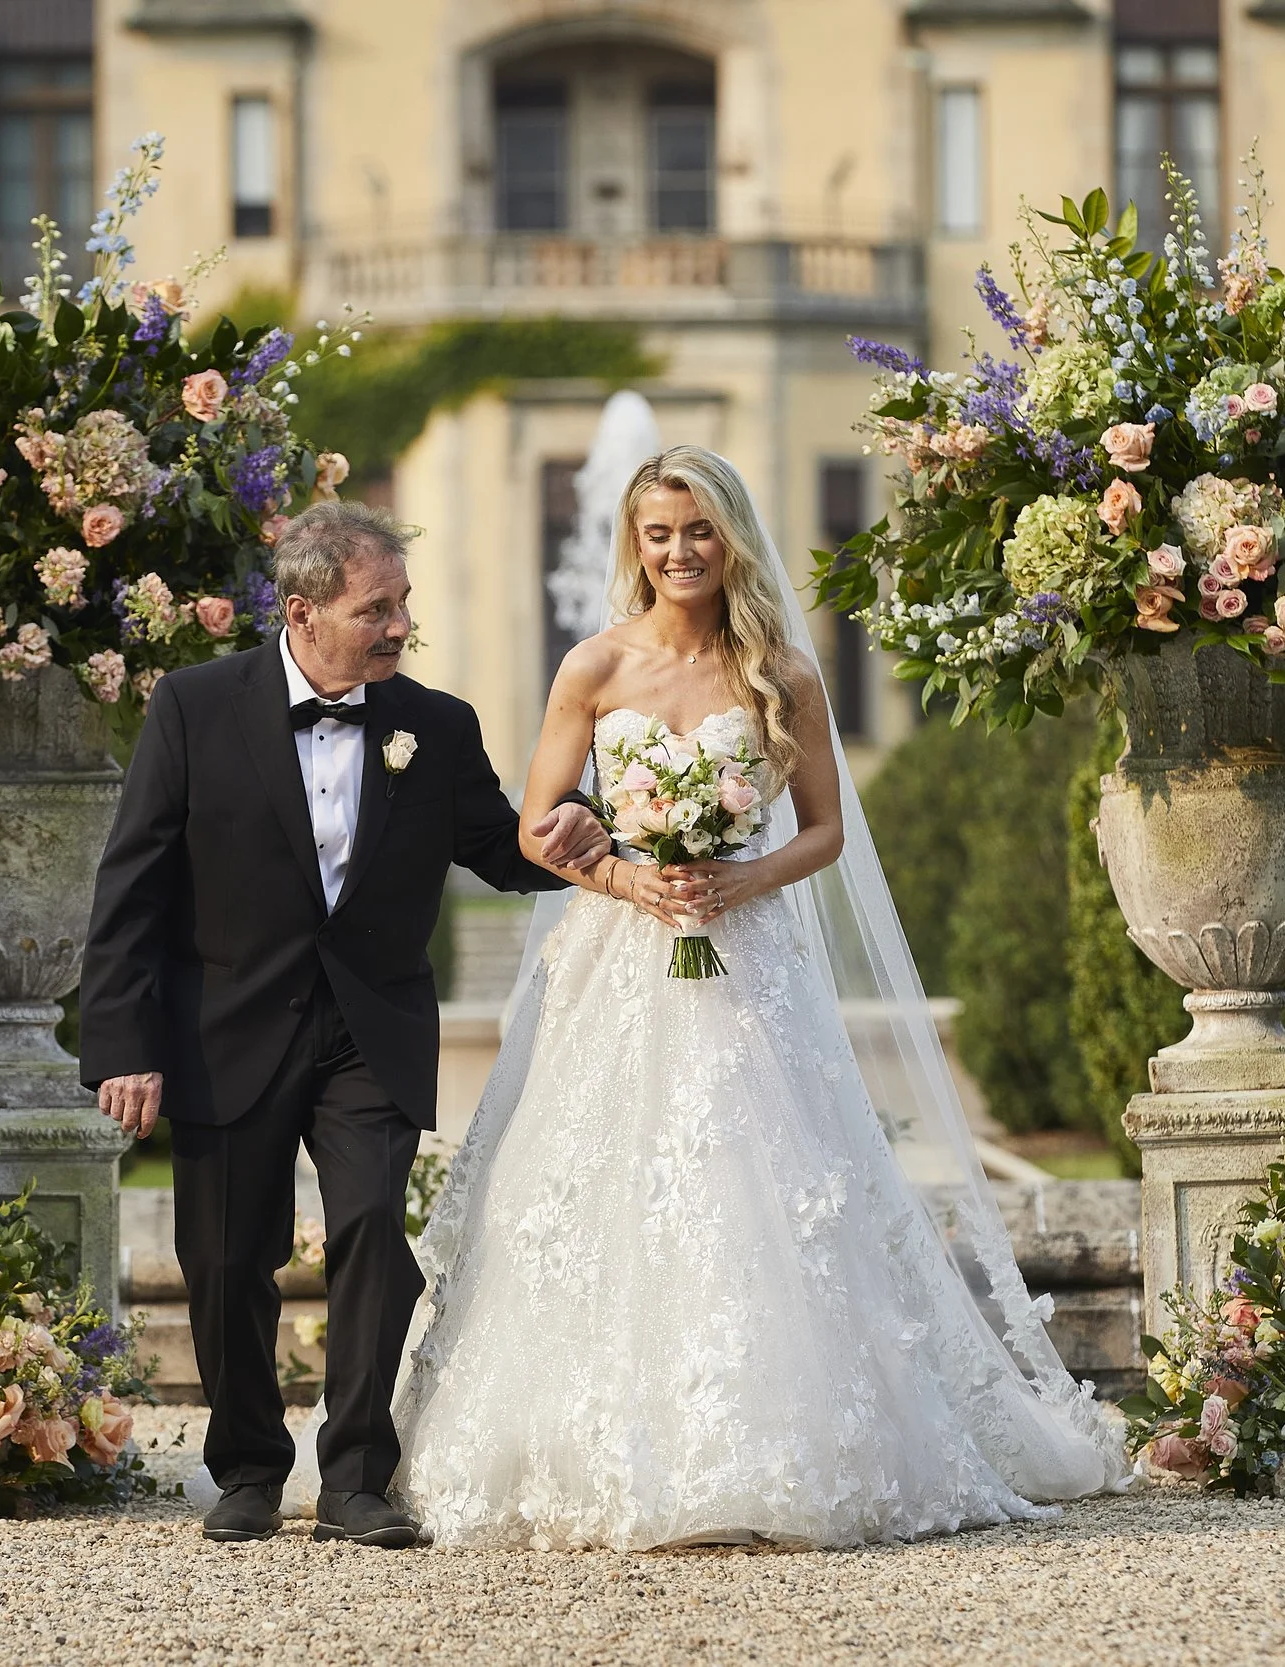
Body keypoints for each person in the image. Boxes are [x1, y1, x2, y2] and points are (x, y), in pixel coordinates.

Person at [391, 446, 1127, 1550]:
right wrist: (630, 876)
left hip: (749, 951)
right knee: (607, 1183)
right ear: (632, 547)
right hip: (622, 956)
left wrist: (741, 875)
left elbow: (828, 827)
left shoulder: (781, 670)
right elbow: (540, 831)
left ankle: (772, 1451)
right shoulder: (591, 667)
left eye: (696, 529)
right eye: (657, 533)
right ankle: (600, 1451)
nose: (678, 551)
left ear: (728, 535)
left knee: (757, 1170)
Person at [79, 501, 608, 1550]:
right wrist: (122, 1043)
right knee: (226, 1255)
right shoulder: (192, 707)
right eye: (378, 607)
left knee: (373, 1228)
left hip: (371, 1026)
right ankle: (245, 1468)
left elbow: (498, 851)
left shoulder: (436, 723)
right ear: (304, 607)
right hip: (223, 1027)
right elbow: (130, 886)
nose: (399, 624)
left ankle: (359, 1476)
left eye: (403, 603)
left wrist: (582, 823)